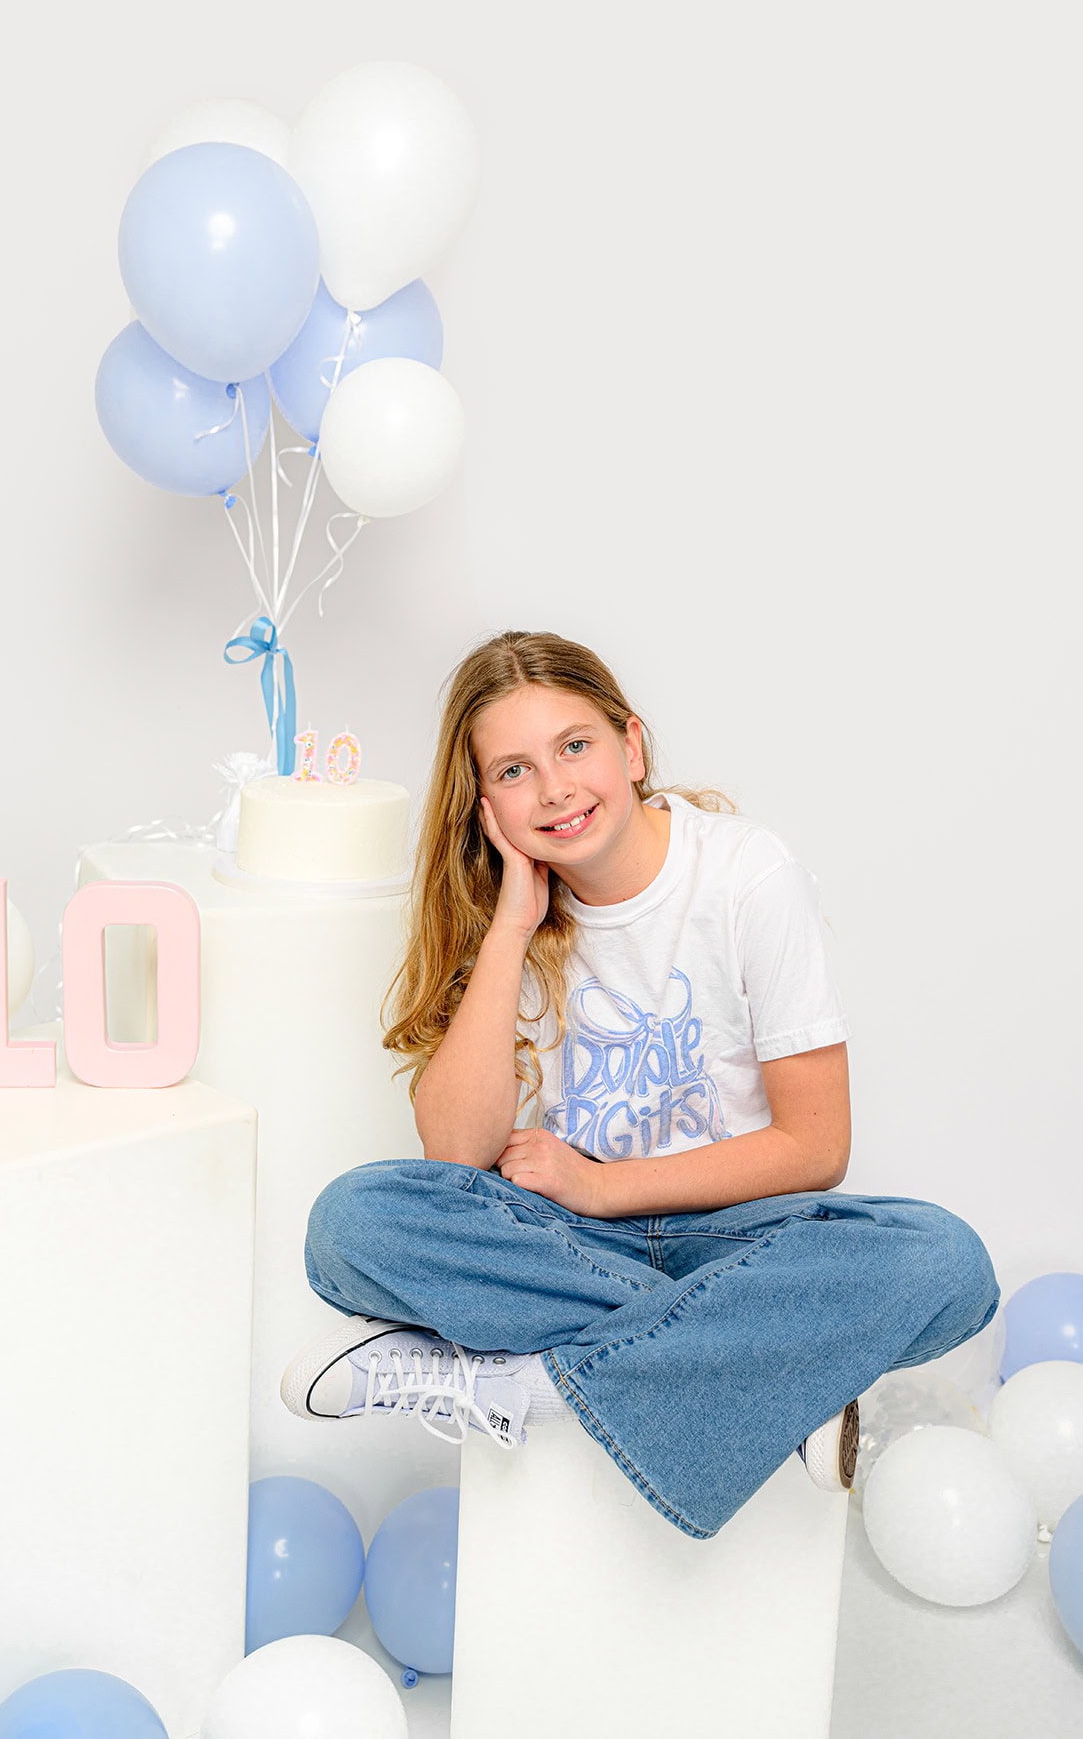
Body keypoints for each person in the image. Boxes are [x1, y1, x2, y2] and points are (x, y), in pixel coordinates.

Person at [280, 630, 1001, 1540]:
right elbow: (452, 1158)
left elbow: (815, 1149)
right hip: (564, 1245)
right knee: (353, 1225)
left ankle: (527, 1387)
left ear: (631, 746)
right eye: (512, 770)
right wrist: (510, 926)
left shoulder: (746, 875)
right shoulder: (493, 907)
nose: (554, 789)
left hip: (735, 1239)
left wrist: (604, 1184)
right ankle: (765, 1373)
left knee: (946, 1262)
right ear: (482, 801)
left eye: (574, 746)